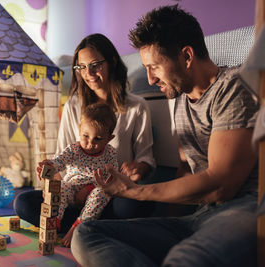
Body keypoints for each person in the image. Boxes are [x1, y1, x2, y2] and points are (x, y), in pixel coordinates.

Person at [71, 5, 259, 267]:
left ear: (187, 56)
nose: (149, 79)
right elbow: (185, 169)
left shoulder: (233, 88)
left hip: (243, 210)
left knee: (185, 258)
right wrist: (166, 224)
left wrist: (134, 190)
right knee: (86, 234)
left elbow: (220, 186)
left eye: (154, 67)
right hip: (200, 216)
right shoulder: (180, 98)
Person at [14, 33, 156, 233]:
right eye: (81, 67)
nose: (88, 73)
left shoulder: (137, 107)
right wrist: (62, 188)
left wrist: (139, 168)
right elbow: (61, 159)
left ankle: (83, 225)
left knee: (135, 205)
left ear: (112, 62)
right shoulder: (73, 105)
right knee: (23, 202)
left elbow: (146, 157)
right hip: (74, 193)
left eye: (95, 64)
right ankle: (88, 226)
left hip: (112, 193)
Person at [37, 103, 118, 247]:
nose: (90, 143)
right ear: (79, 131)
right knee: (60, 187)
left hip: (94, 192)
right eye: (86, 136)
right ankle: (54, 223)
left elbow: (111, 179)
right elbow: (59, 162)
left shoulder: (110, 153)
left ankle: (78, 226)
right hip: (71, 190)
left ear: (109, 138)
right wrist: (48, 166)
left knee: (103, 192)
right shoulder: (74, 149)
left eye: (98, 139)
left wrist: (88, 189)